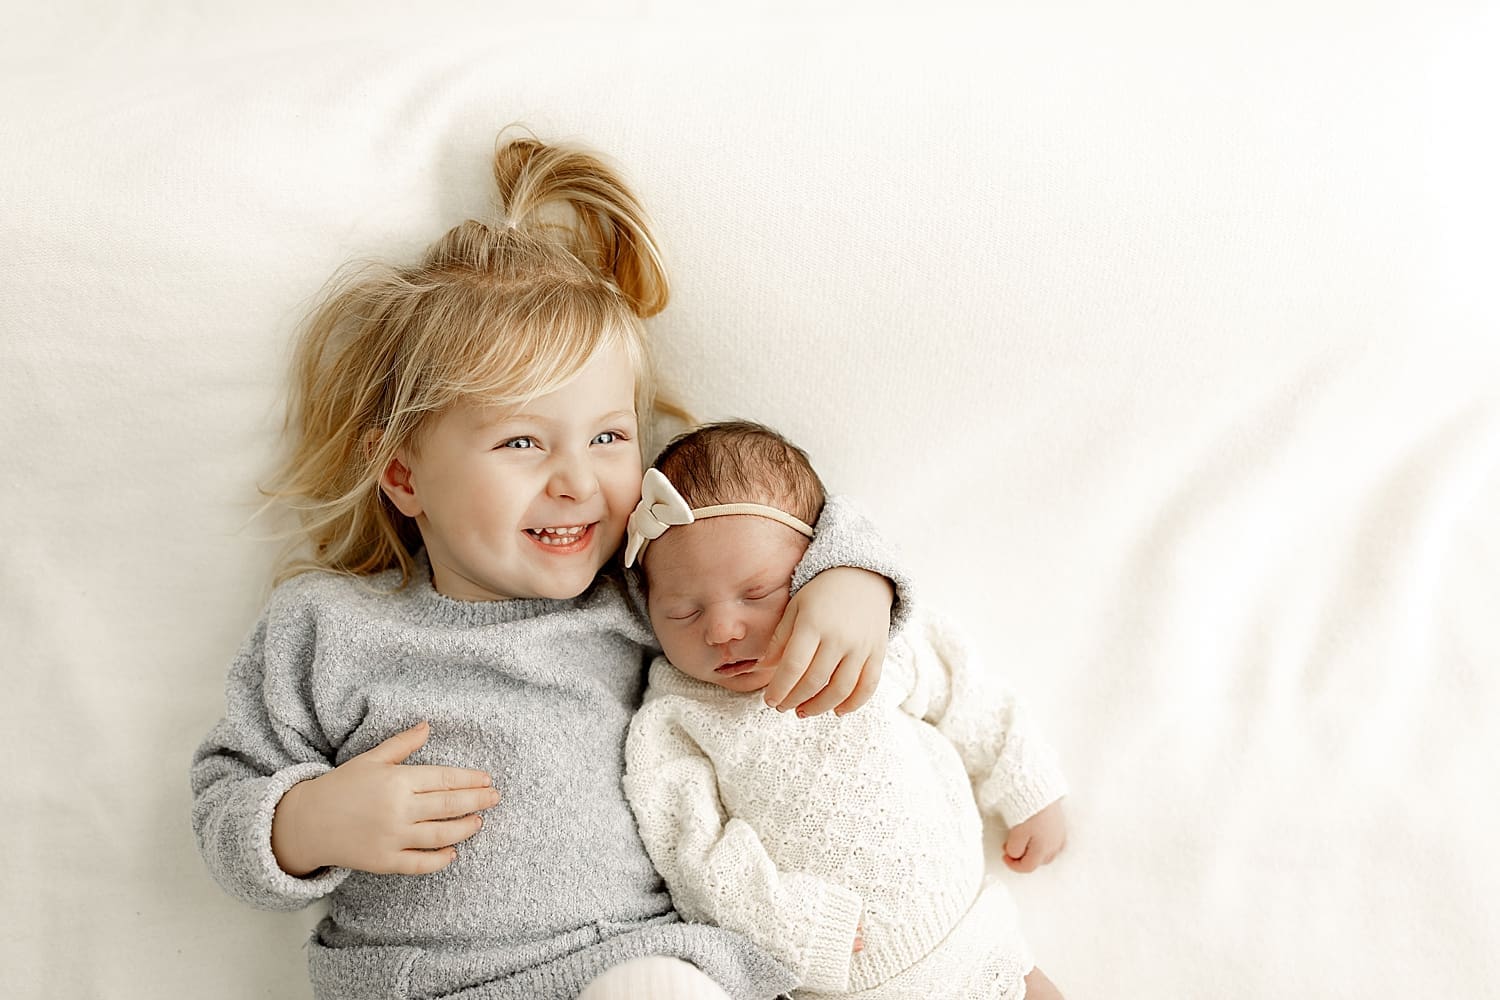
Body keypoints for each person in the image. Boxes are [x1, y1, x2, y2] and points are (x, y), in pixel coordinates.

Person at [190, 136, 908, 1000]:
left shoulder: (648, 593)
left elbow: (778, 520)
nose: (576, 482)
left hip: (629, 963)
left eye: (607, 437)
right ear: (405, 474)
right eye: (523, 442)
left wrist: (852, 579)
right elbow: (225, 797)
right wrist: (304, 822)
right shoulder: (329, 626)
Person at [622, 421, 1071, 1000]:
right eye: (682, 611)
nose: (723, 629)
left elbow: (964, 690)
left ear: (812, 568)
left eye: (756, 595)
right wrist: (792, 926)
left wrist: (1025, 783)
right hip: (839, 975)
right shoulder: (674, 720)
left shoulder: (859, 638)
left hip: (965, 931)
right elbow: (692, 853)